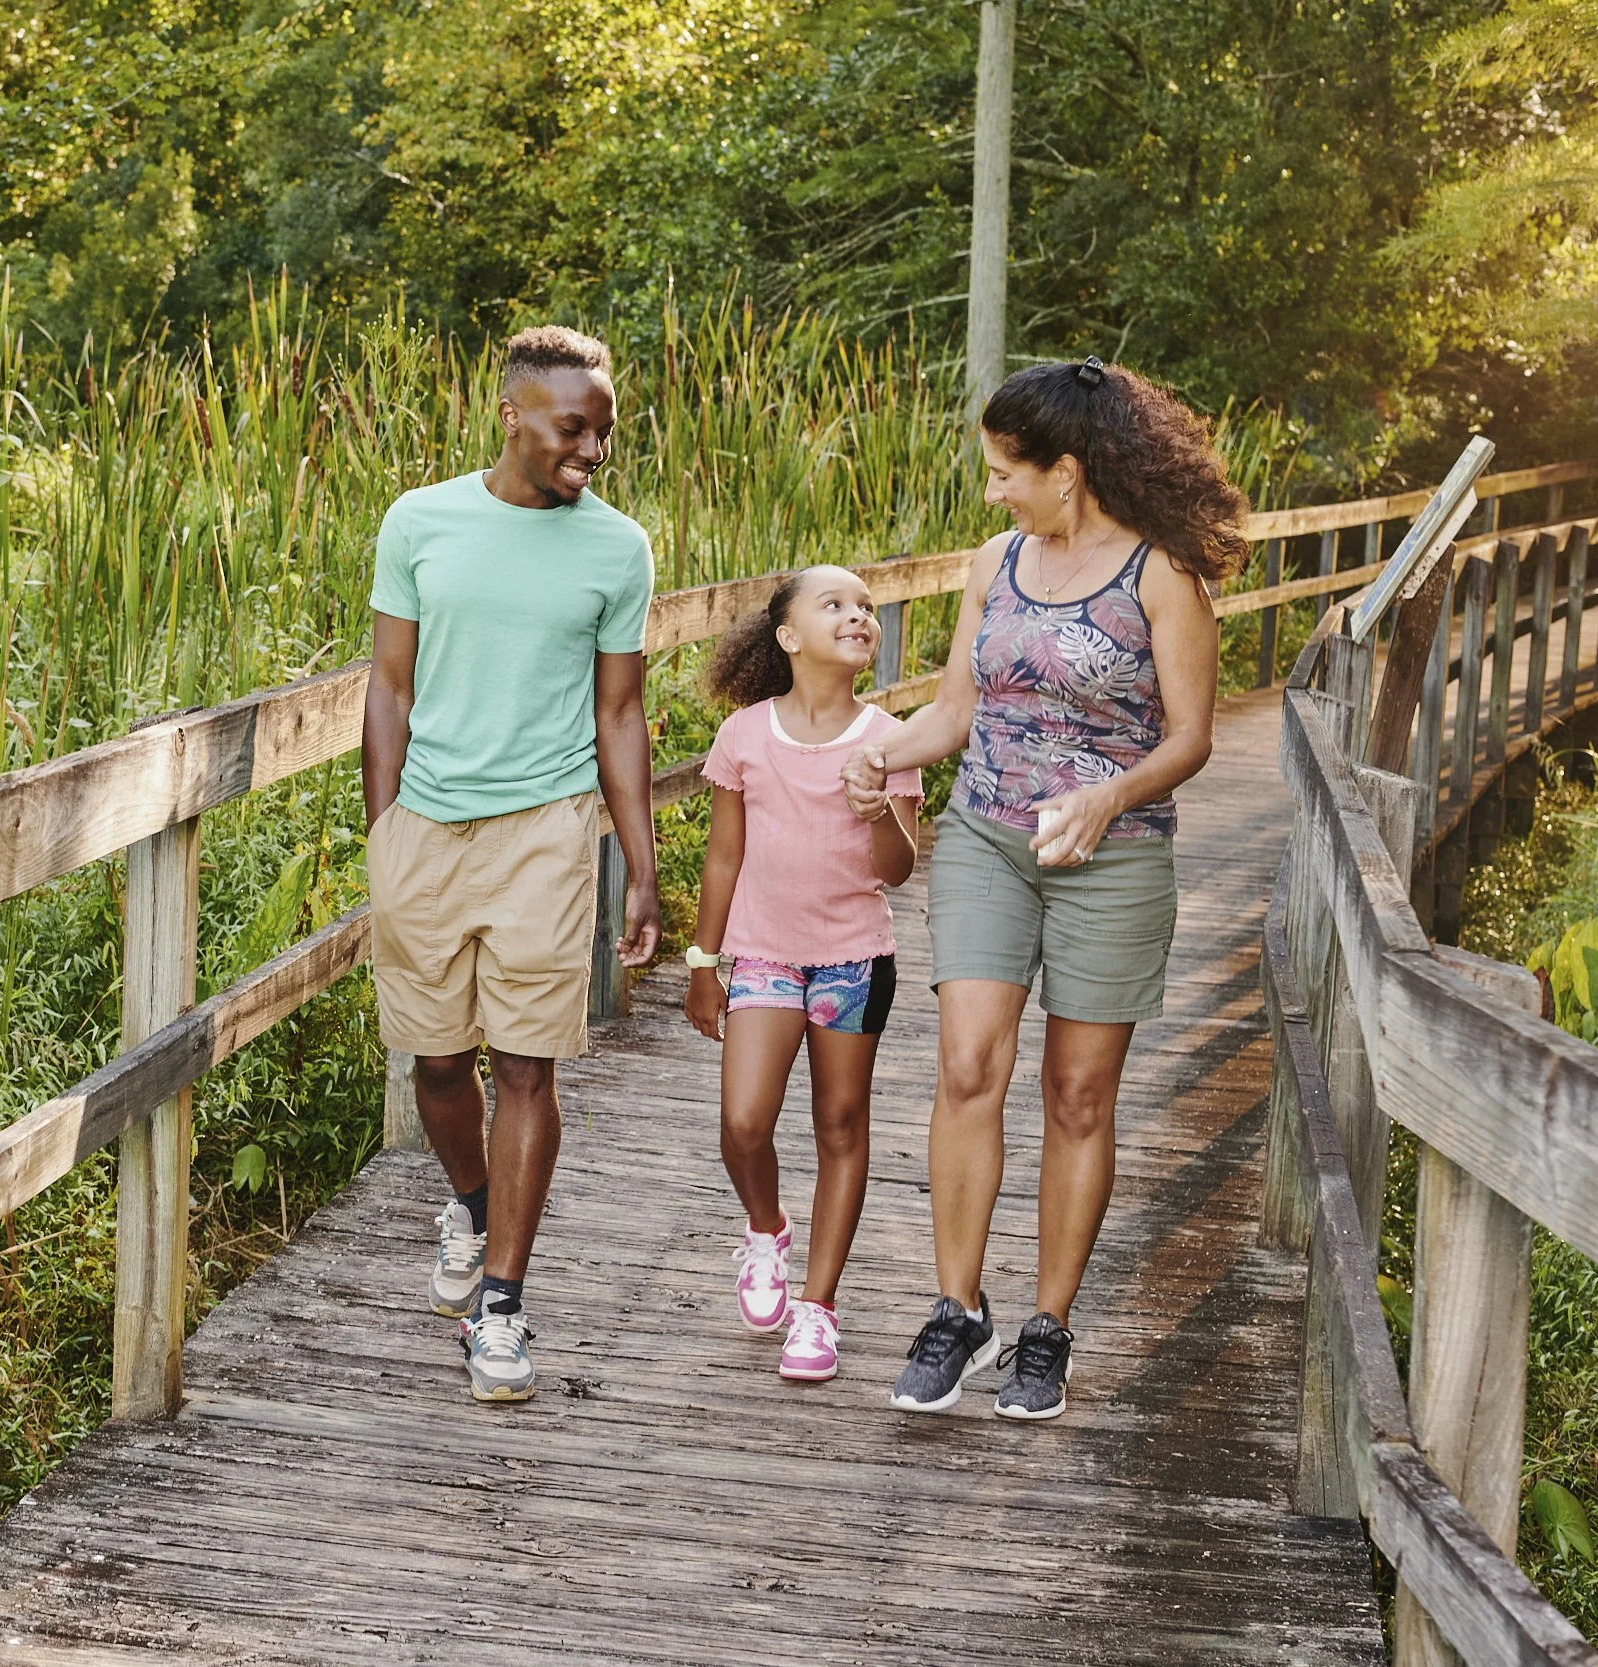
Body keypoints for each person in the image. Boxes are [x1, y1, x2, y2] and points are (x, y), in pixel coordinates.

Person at [843, 356, 1246, 1421]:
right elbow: (953, 712)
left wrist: (1108, 797)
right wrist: (878, 752)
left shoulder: (1161, 574)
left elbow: (1193, 737)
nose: (992, 493)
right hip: (987, 838)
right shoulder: (997, 562)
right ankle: (956, 1310)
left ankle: (1047, 1329)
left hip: (1114, 857)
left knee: (1076, 1094)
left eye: (1002, 472)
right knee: (967, 1063)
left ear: (1065, 470)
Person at [363, 324, 662, 1404]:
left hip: (548, 828)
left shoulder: (617, 548)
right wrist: (385, 830)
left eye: (604, 432)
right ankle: (477, 1202)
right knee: (439, 1060)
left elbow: (619, 712)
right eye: (573, 429)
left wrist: (641, 861)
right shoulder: (420, 520)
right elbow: (388, 686)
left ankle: (500, 1304)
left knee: (529, 1065)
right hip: (427, 828)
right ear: (512, 416)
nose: (593, 450)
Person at [683, 565, 922, 1383]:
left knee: (840, 1125)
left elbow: (898, 869)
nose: (859, 615)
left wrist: (877, 808)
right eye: (835, 605)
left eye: (867, 607)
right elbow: (723, 857)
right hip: (764, 954)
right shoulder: (745, 735)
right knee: (744, 1121)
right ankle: (767, 1228)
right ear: (787, 636)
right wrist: (703, 963)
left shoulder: (891, 739)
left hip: (856, 958)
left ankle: (818, 1308)